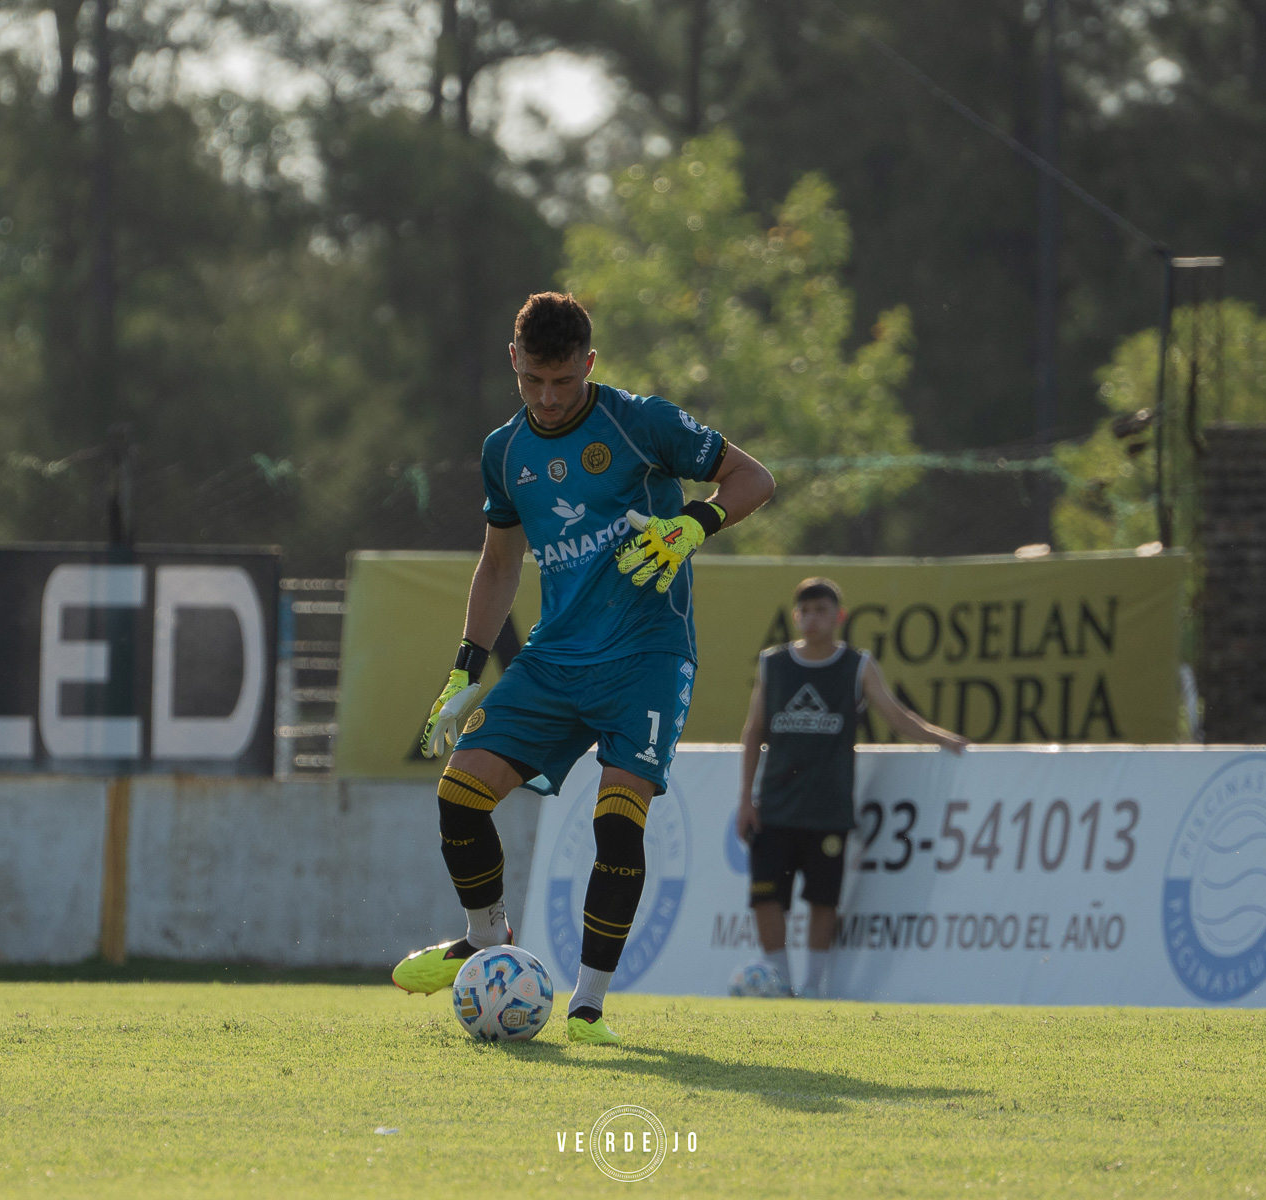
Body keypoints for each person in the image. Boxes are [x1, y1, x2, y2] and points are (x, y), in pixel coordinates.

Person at [392, 291, 774, 1044]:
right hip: (557, 657)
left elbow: (753, 478)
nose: (549, 397)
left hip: (646, 658)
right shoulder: (505, 451)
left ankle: (589, 1005)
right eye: (535, 380)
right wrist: (466, 666)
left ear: (589, 365)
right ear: (515, 362)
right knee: (460, 795)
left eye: (564, 381)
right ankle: (484, 939)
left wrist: (693, 523)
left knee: (616, 822)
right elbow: (500, 562)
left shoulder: (641, 422)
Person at [737, 576, 968, 998]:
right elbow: (753, 732)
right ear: (795, 616)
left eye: (821, 610)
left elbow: (896, 716)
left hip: (829, 807)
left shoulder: (856, 666)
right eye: (804, 611)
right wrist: (745, 800)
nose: (812, 619)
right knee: (766, 897)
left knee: (823, 900)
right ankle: (779, 980)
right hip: (774, 805)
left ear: (839, 616)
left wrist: (942, 738)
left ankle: (811, 987)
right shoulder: (774, 664)